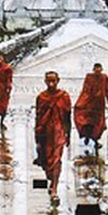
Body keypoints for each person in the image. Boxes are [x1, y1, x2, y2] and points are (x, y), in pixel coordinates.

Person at [33, 71, 73, 199]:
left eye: (53, 81)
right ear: (45, 81)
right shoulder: (41, 97)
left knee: (56, 159)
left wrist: (68, 134)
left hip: (58, 130)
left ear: (58, 81)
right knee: (46, 160)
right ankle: (51, 179)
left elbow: (68, 116)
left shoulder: (64, 96)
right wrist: (37, 135)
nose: (51, 84)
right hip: (45, 131)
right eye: (49, 81)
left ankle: (55, 188)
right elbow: (38, 117)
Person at [74, 62, 108, 153]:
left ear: (101, 69)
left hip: (99, 104)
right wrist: (82, 101)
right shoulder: (89, 77)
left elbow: (107, 90)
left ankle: (95, 140)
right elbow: (85, 89)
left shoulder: (104, 78)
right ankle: (87, 138)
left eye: (99, 69)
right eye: (96, 69)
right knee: (87, 121)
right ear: (94, 69)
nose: (98, 70)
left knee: (98, 124)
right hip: (90, 102)